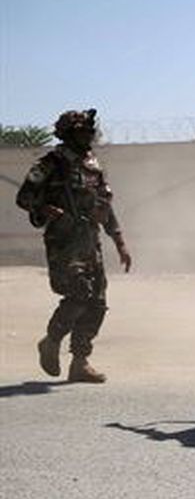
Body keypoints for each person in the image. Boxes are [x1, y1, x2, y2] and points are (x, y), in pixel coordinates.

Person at [16, 108, 132, 383]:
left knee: (98, 302)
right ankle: (51, 341)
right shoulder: (50, 164)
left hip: (91, 240)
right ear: (68, 134)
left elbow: (105, 206)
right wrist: (45, 208)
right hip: (64, 240)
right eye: (81, 132)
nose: (88, 137)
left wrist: (120, 242)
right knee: (79, 293)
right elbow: (24, 197)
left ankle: (80, 361)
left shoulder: (93, 164)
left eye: (89, 132)